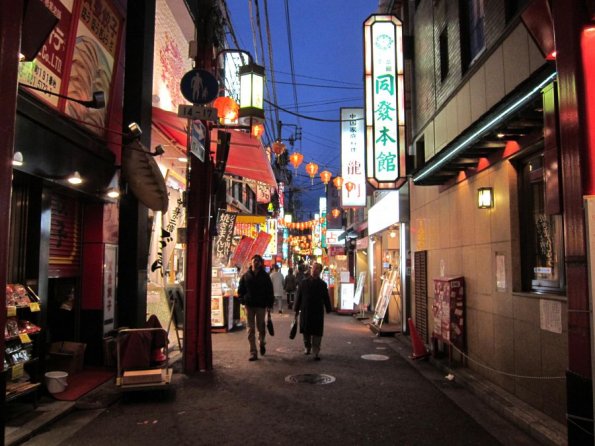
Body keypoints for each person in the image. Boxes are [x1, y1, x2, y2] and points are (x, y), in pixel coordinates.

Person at [237, 255, 274, 361]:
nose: (256, 263)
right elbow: (241, 290)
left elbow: (269, 291)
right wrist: (242, 300)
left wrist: (269, 304)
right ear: (251, 262)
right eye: (254, 261)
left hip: (261, 306)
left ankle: (262, 342)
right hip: (249, 305)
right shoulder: (246, 276)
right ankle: (253, 352)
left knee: (261, 327)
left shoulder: (265, 276)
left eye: (258, 261)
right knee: (250, 329)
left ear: (261, 263)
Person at [293, 262, 332, 360]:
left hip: (317, 311)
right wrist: (296, 309)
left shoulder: (322, 284)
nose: (314, 270)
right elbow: (299, 297)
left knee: (317, 332)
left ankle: (316, 351)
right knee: (306, 330)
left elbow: (326, 297)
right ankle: (307, 347)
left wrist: (328, 308)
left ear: (320, 271)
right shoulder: (303, 282)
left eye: (317, 268)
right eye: (313, 268)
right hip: (306, 310)